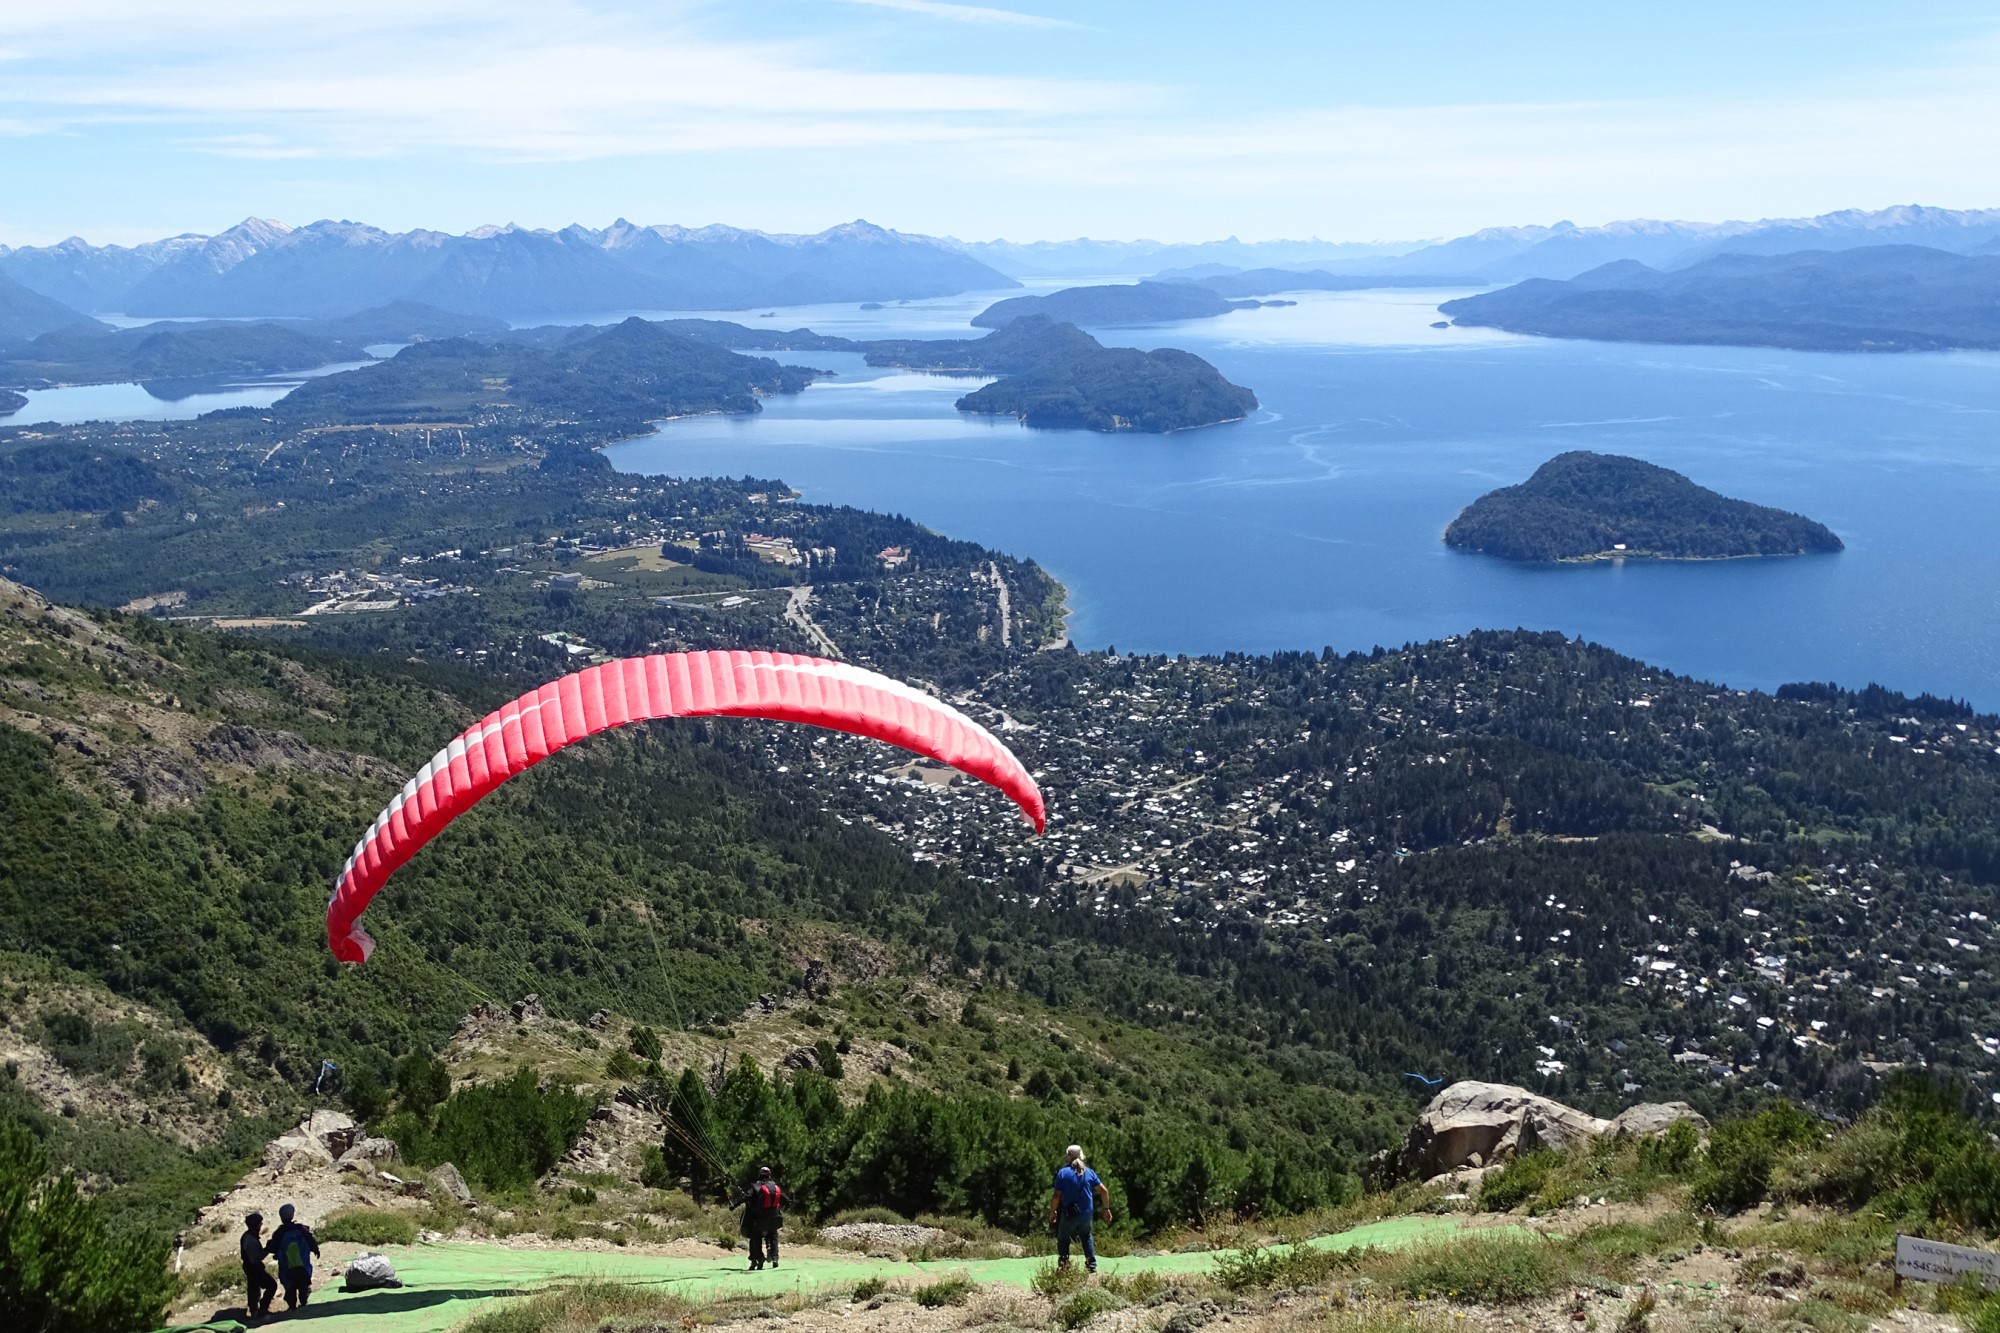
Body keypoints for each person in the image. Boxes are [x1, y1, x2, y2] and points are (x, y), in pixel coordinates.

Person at [1047, 1144, 1112, 1273]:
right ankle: (1091, 1266)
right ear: (1081, 1156)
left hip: (1069, 1213)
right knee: (1086, 1236)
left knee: (1064, 1237)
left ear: (1068, 1157)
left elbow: (1056, 1196)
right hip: (1086, 1213)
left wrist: (1053, 1211)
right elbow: (1104, 1191)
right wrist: (1106, 1209)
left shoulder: (1063, 1173)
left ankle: (1064, 1265)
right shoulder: (1089, 1172)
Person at [267, 1203, 321, 1310]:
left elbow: (273, 1248)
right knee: (303, 1283)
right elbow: (310, 1240)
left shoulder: (279, 1233)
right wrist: (315, 1249)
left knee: (290, 1286)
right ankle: (303, 1301)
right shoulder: (301, 1229)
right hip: (302, 1263)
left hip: (286, 1265)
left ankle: (292, 1305)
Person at [736, 1165, 784, 1270]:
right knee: (773, 1235)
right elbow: (785, 1199)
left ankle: (758, 1258)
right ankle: (775, 1257)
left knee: (755, 1237)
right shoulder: (774, 1187)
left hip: (759, 1220)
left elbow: (745, 1197)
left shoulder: (755, 1186)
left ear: (759, 1175)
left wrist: (734, 1205)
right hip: (774, 1219)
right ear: (769, 1175)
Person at [238, 1213, 276, 1320]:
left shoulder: (248, 1236)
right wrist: (267, 1249)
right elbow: (255, 1259)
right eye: (259, 1223)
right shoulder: (250, 1240)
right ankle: (262, 1308)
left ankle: (254, 1310)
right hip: (253, 1268)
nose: (261, 1225)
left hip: (251, 1267)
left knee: (253, 1288)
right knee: (271, 1285)